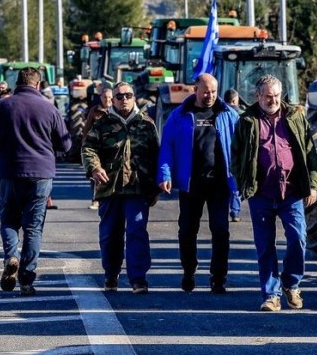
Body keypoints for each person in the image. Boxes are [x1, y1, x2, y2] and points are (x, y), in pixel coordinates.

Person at [231, 75, 317, 311]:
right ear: (258, 96)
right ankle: (271, 295)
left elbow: (310, 153)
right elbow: (236, 156)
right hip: (261, 193)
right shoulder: (246, 121)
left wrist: (312, 184)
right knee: (265, 245)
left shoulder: (296, 117)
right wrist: (244, 184)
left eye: (277, 96)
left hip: (291, 192)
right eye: (268, 96)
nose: (273, 100)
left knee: (298, 239)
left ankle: (292, 285)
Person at [0, 68, 71, 296]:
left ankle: (11, 256)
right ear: (38, 85)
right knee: (33, 228)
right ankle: (26, 280)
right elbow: (66, 144)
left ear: (16, 83)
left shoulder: (1, 106)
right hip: (40, 174)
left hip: (9, 172)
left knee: (8, 220)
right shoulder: (49, 108)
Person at [157, 73, 239, 294]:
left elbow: (240, 148)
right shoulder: (179, 115)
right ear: (196, 90)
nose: (210, 96)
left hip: (219, 184)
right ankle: (189, 271)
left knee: (220, 230)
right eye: (206, 92)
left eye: (213, 92)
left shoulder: (228, 114)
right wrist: (165, 174)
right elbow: (167, 147)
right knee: (187, 231)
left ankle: (219, 277)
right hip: (191, 184)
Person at [81, 82, 160, 294]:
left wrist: (156, 188)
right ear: (112, 99)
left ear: (134, 97)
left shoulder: (147, 124)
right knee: (110, 235)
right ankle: (111, 274)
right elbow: (88, 148)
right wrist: (94, 168)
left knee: (136, 232)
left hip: (138, 189)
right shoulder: (102, 124)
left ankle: (138, 279)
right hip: (110, 189)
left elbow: (156, 156)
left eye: (128, 95)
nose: (124, 99)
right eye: (119, 96)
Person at [83, 87, 114, 210]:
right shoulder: (94, 111)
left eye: (110, 97)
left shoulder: (116, 111)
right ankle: (96, 199)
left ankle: (110, 198)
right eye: (105, 97)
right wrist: (86, 145)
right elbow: (87, 129)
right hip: (98, 148)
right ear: (100, 98)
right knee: (96, 174)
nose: (107, 100)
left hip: (112, 149)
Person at [223, 89, 242, 222]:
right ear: (235, 100)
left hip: (221, 155)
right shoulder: (240, 115)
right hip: (235, 154)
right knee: (235, 186)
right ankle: (235, 212)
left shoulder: (217, 114)